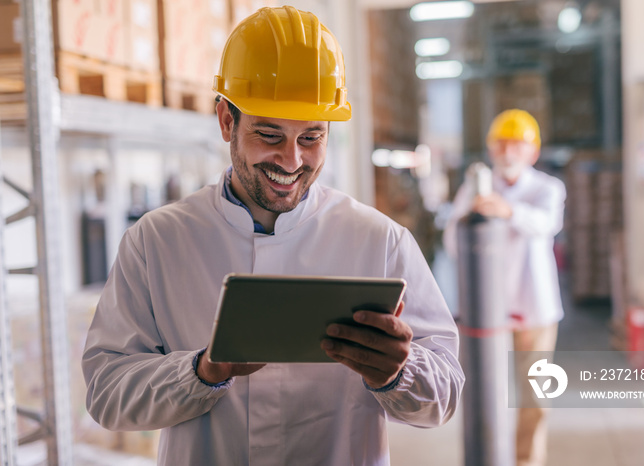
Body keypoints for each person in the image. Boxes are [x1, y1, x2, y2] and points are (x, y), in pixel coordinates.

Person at [82, 6, 464, 465]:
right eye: (269, 134)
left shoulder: (381, 242)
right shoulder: (157, 242)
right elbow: (106, 393)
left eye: (311, 138)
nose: (291, 161)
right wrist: (203, 372)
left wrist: (397, 374)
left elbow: (444, 396)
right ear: (226, 121)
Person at [443, 109, 566, 466]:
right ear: (491, 150)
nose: (508, 151)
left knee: (534, 397)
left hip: (535, 311)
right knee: (487, 392)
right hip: (487, 311)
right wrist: (475, 217)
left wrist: (506, 210)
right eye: (502, 144)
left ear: (533, 152)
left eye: (517, 144)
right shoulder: (475, 188)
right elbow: (453, 240)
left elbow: (547, 224)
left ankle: (528, 461)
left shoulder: (547, 188)